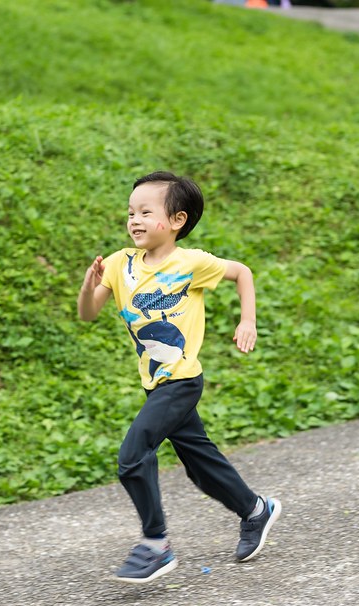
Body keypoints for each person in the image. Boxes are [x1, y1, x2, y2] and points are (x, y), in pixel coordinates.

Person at [77, 171, 281, 584]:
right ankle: (256, 510)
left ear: (176, 221)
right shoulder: (118, 265)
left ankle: (156, 545)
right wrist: (88, 285)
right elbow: (88, 313)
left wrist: (248, 321)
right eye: (130, 211)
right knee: (200, 465)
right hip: (155, 383)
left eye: (145, 212)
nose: (134, 219)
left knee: (133, 455)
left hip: (182, 380)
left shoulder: (191, 263)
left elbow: (242, 272)